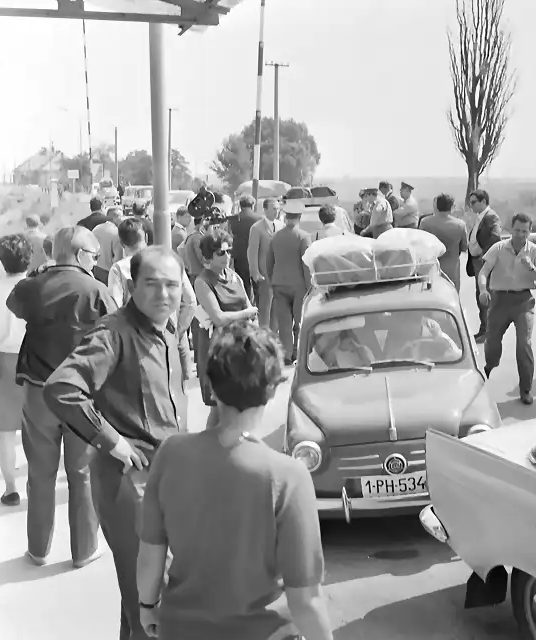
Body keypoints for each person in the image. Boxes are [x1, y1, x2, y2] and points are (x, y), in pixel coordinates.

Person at [137, 321, 333, 640]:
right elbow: (305, 601)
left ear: (211, 387)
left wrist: (147, 607)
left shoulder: (170, 454)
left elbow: (149, 557)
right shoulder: (288, 476)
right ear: (272, 389)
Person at [43, 246, 187, 640]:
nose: (164, 294)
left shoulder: (167, 331)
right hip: (130, 482)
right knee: (148, 594)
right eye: (152, 284)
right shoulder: (114, 333)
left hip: (165, 477)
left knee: (141, 597)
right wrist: (114, 442)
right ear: (131, 286)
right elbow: (62, 388)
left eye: (172, 285)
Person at [6, 226, 116, 567]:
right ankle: (83, 550)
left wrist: (42, 273)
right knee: (82, 472)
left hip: (39, 391)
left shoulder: (32, 287)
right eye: (94, 256)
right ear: (82, 255)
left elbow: (15, 303)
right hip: (82, 392)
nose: (96, 262)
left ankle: (38, 549)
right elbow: (114, 332)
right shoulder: (97, 290)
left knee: (40, 473)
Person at [109, 217, 196, 382]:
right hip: (175, 339)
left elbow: (115, 306)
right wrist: (177, 332)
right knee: (178, 394)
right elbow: (190, 301)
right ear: (147, 238)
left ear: (121, 243)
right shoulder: (170, 262)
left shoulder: (119, 269)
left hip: (140, 343)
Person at [478, 213, 536, 405]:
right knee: (492, 342)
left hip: (523, 301)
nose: (520, 234)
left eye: (525, 231)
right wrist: (483, 290)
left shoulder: (534, 251)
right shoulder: (499, 248)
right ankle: (490, 366)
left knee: (523, 344)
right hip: (499, 299)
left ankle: (525, 389)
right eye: (517, 230)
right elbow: (483, 272)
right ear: (511, 229)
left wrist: (531, 267)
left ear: (530, 231)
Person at [194, 228, 258, 405]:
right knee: (221, 405)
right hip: (218, 347)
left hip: (240, 343)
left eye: (228, 251)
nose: (226, 256)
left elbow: (249, 305)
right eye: (220, 253)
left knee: (241, 400)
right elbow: (218, 318)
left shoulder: (234, 276)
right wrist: (246, 314)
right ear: (208, 256)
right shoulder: (203, 281)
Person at [0, 234, 31, 506]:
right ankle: (37, 481)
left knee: (5, 432)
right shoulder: (38, 287)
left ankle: (10, 488)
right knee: (37, 427)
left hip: (1, 361)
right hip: (35, 358)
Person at [267, 200, 312, 365]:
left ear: (285, 216)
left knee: (284, 323)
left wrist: (273, 279)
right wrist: (310, 287)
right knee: (299, 321)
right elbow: (306, 265)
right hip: (298, 285)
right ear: (299, 217)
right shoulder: (303, 237)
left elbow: (269, 262)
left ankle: (286, 354)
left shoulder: (276, 236)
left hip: (279, 284)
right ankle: (298, 352)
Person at [466, 189, 502, 342]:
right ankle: (485, 329)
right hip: (476, 261)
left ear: (483, 202)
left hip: (482, 262)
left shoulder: (491, 216)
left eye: (474, 202)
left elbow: (496, 236)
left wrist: (485, 255)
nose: (471, 205)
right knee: (480, 295)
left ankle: (487, 331)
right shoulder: (481, 216)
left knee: (484, 295)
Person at [248, 197, 284, 329]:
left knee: (276, 309)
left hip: (278, 274)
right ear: (265, 210)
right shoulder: (257, 228)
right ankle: (263, 335)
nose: (277, 212)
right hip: (264, 275)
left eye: (278, 209)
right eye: (274, 209)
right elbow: (252, 251)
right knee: (265, 308)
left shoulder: (281, 225)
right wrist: (255, 272)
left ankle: (273, 336)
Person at [419, 194, 468, 290]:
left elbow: (421, 245)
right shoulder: (460, 225)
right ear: (451, 207)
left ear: (436, 206)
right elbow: (464, 247)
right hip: (451, 269)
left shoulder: (425, 222)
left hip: (430, 268)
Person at [229, 194, 261, 301]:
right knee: (257, 285)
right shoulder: (259, 219)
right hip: (256, 255)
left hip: (239, 256)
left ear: (240, 205)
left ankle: (246, 306)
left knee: (243, 284)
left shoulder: (233, 219)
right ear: (253, 205)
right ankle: (258, 308)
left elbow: (228, 236)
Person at [92, 205, 124, 284]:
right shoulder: (116, 233)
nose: (122, 219)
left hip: (96, 269)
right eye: (121, 216)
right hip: (109, 272)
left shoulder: (96, 229)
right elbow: (117, 258)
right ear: (115, 217)